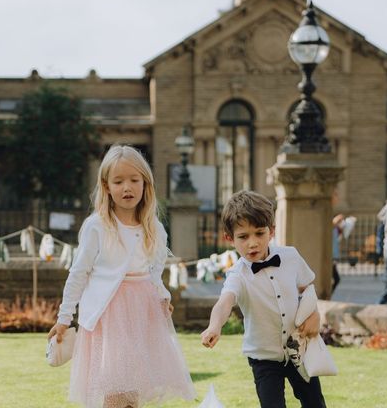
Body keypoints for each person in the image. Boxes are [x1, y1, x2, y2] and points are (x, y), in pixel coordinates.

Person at [47, 145, 195, 408]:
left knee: (132, 392)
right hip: (109, 316)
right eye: (118, 181)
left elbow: (154, 274)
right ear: (106, 186)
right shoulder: (97, 226)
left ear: (145, 184)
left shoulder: (155, 229)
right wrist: (64, 318)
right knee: (116, 392)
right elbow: (78, 274)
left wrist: (163, 297)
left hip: (142, 316)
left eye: (134, 180)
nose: (127, 187)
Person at [201, 190, 326, 408]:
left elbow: (307, 290)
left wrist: (315, 315)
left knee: (315, 403)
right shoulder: (237, 275)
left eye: (259, 233)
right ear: (229, 238)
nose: (253, 243)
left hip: (300, 349)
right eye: (243, 236)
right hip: (264, 358)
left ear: (272, 231)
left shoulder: (290, 256)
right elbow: (225, 302)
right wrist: (214, 326)